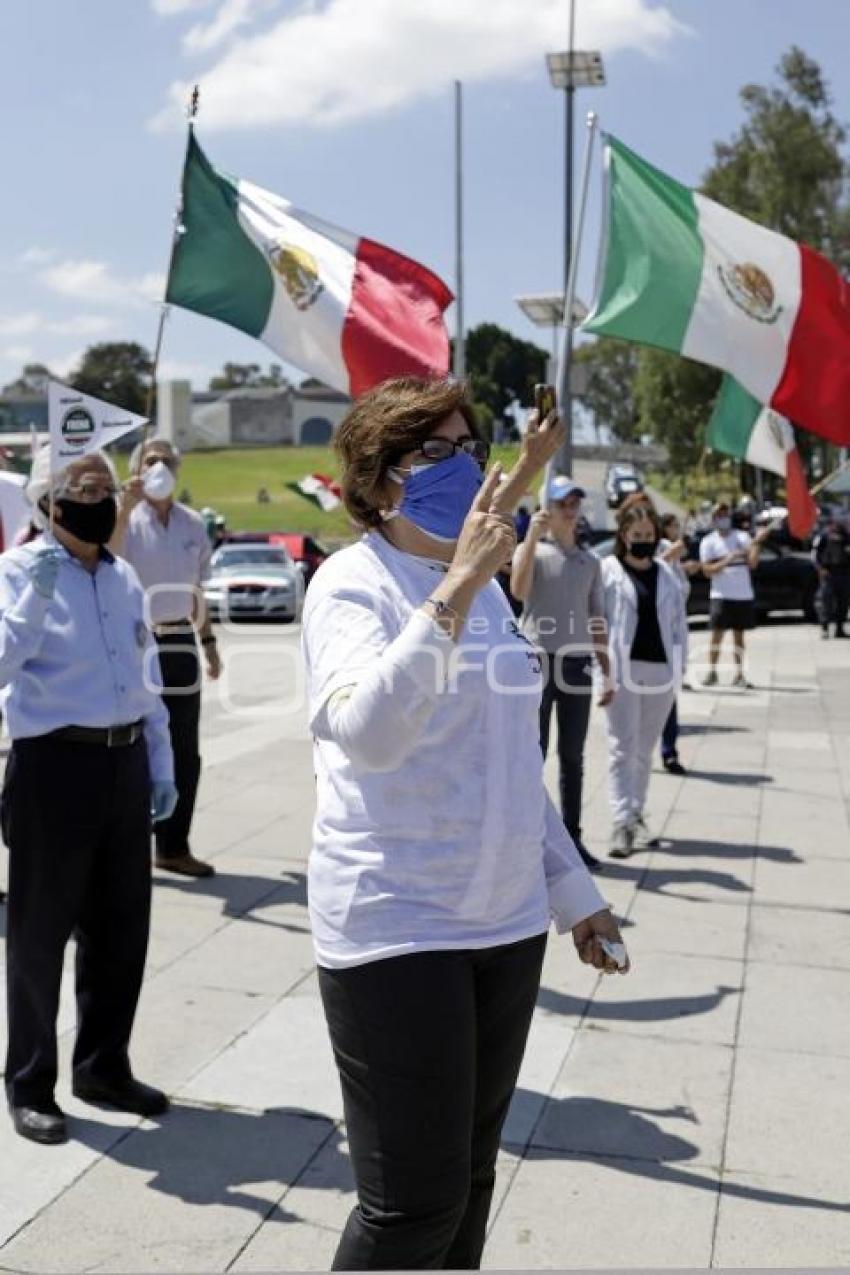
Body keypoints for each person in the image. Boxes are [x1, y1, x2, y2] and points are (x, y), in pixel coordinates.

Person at [302, 376, 628, 1271]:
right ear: (376, 480)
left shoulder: (484, 591)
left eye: (470, 447)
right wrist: (455, 587)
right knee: (411, 1205)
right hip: (397, 925)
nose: (463, 465)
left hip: (505, 923)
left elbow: (512, 768)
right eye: (433, 451)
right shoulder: (351, 586)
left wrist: (575, 895)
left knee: (470, 1186)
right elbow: (369, 732)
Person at [0, 447, 177, 1145]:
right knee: (40, 934)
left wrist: (161, 761)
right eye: (86, 487)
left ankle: (103, 1064)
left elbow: (146, 672)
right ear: (50, 501)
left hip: (123, 760)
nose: (102, 498)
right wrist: (34, 598)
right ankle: (29, 1081)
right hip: (53, 766)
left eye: (108, 486)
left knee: (121, 927)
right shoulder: (17, 572)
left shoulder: (124, 574)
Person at [111, 438, 220, 878]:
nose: (159, 467)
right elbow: (109, 559)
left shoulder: (192, 523)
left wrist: (209, 643)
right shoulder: (126, 519)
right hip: (136, 642)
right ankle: (125, 846)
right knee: (134, 746)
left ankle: (173, 846)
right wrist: (124, 505)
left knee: (184, 751)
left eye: (166, 461)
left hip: (180, 644)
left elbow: (197, 589)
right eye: (150, 460)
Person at [511, 474, 613, 871]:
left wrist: (607, 671)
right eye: (561, 505)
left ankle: (572, 839)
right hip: (535, 661)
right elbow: (518, 591)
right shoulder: (532, 552)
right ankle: (526, 839)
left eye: (574, 504)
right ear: (547, 510)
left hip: (576, 664)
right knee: (530, 755)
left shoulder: (590, 562)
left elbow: (597, 619)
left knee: (573, 756)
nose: (569, 511)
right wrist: (531, 538)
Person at [600, 502, 688, 858]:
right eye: (637, 536)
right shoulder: (607, 571)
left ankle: (636, 813)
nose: (644, 541)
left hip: (660, 672)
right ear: (623, 536)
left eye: (649, 536)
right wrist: (602, 672)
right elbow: (598, 622)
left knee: (644, 750)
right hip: (622, 672)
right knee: (622, 748)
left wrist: (679, 668)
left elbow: (679, 624)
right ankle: (621, 822)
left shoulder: (667, 574)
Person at [699, 500, 771, 688]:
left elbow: (753, 563)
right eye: (719, 516)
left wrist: (757, 543)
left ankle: (739, 674)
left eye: (726, 515)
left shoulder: (742, 537)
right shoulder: (709, 542)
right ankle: (712, 671)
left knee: (739, 637)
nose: (724, 519)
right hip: (721, 594)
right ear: (714, 519)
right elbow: (707, 570)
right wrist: (726, 561)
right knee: (717, 635)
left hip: (742, 595)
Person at [657, 512, 701, 776]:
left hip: (673, 637)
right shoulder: (661, 548)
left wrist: (683, 567)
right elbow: (648, 571)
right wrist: (670, 555)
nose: (675, 530)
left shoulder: (673, 555)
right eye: (672, 525)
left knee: (669, 700)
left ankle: (669, 751)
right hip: (650, 641)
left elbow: (676, 586)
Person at [812, 512, 850, 638]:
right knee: (825, 602)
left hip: (844, 573)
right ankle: (825, 628)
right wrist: (820, 568)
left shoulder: (846, 536)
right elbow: (815, 554)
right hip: (829, 574)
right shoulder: (823, 536)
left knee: (843, 603)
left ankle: (840, 629)